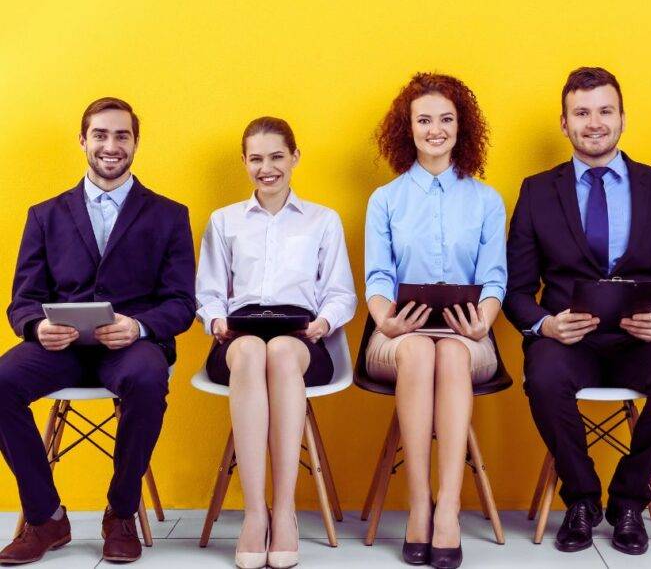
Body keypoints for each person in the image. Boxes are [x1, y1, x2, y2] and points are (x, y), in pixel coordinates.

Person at [503, 67, 651, 556]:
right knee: (544, 379)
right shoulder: (535, 191)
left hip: (643, 339)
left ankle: (630, 498)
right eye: (582, 112)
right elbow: (516, 289)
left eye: (605, 111)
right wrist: (544, 324)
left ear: (622, 118)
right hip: (568, 340)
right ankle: (582, 499)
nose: (594, 122)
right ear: (564, 123)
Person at [0, 97, 196, 564]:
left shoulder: (169, 214)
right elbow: (21, 300)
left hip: (129, 347)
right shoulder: (44, 215)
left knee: (149, 380)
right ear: (83, 140)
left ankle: (121, 512)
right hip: (59, 348)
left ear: (135, 143)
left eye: (122, 135)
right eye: (101, 135)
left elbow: (182, 303)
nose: (111, 145)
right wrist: (36, 326)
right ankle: (46, 516)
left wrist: (140, 326)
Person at [195, 116, 356, 569]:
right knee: (251, 351)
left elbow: (341, 292)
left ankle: (283, 512)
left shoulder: (323, 221)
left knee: (281, 352)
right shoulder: (224, 221)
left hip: (302, 336)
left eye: (276, 157)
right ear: (244, 163)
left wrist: (325, 322)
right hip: (239, 336)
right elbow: (208, 291)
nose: (267, 168)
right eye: (256, 159)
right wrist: (215, 321)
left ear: (295, 157)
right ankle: (253, 515)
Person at [364, 72, 506, 569]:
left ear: (461, 127)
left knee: (448, 350)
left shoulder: (486, 200)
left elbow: (494, 280)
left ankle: (449, 504)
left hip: (470, 334)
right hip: (397, 336)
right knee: (423, 348)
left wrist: (483, 323)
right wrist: (387, 321)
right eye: (424, 120)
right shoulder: (385, 199)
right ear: (408, 128)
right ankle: (418, 503)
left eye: (446, 119)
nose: (435, 129)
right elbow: (378, 276)